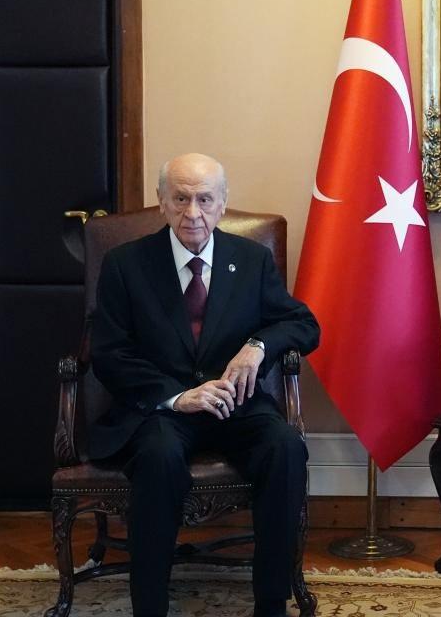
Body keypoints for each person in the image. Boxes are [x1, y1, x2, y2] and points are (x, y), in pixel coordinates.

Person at [89, 153, 320, 617]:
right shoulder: (125, 265)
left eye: (204, 199)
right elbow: (109, 353)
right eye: (180, 199)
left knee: (285, 447)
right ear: (161, 202)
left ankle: (271, 602)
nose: (192, 212)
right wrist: (177, 397)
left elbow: (303, 325)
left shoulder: (251, 260)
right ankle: (150, 606)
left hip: (237, 404)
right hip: (164, 409)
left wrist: (258, 345)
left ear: (223, 203)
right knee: (158, 457)